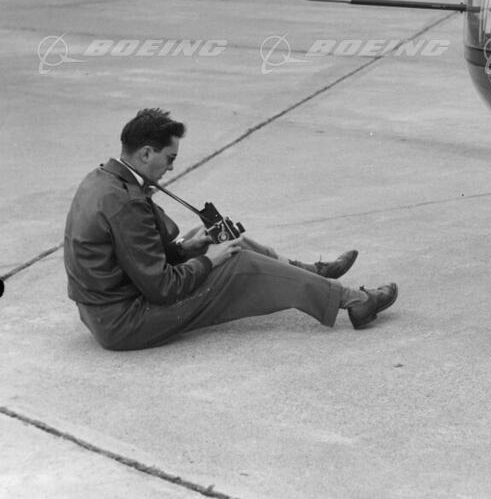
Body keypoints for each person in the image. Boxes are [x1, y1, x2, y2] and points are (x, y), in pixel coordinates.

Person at [64, 108, 397, 351]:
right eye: (169, 158)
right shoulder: (126, 202)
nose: (171, 167)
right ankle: (353, 300)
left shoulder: (105, 179)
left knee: (221, 239)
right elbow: (163, 288)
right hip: (124, 322)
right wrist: (210, 261)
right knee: (237, 261)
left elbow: (130, 255)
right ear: (146, 152)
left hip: (103, 313)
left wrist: (186, 249)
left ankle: (313, 272)